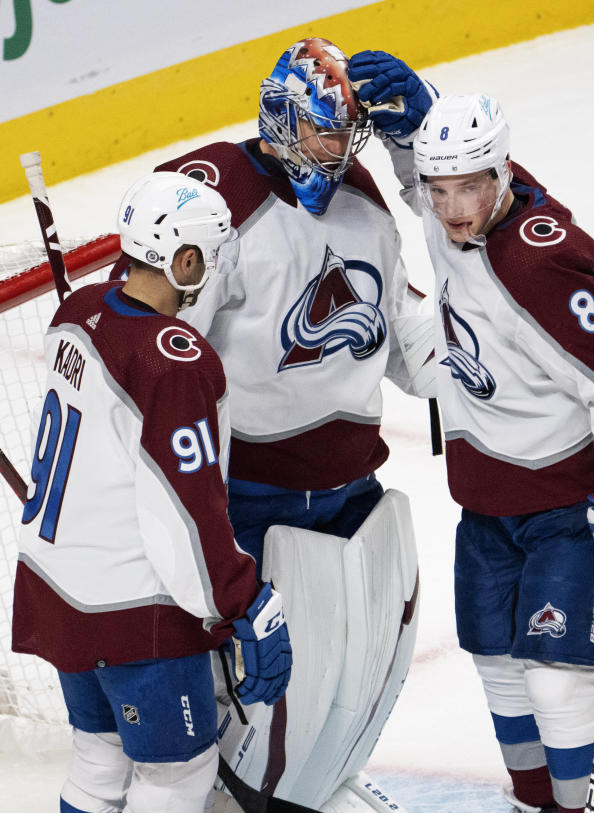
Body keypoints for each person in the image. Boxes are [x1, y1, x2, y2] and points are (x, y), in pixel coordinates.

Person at [121, 38, 433, 813]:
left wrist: (427, 167)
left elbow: (412, 347)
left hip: (355, 494)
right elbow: (151, 352)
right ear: (281, 115)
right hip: (252, 503)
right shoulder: (214, 199)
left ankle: (311, 789)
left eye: (347, 132)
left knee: (345, 691)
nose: (339, 147)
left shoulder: (361, 197)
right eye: (326, 129)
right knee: (256, 711)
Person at [353, 73, 594, 812]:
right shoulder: (451, 211)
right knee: (501, 675)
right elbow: (424, 181)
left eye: (469, 189)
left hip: (567, 512)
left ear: (503, 174)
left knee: (562, 689)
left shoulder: (539, 264)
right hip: (487, 510)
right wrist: (422, 122)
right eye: (439, 193)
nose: (452, 211)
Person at [12, 171, 292, 813]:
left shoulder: (77, 310)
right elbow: (185, 513)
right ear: (185, 259)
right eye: (214, 257)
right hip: (133, 610)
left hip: (57, 590)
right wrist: (243, 601)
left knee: (99, 762)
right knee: (176, 778)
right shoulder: (176, 359)